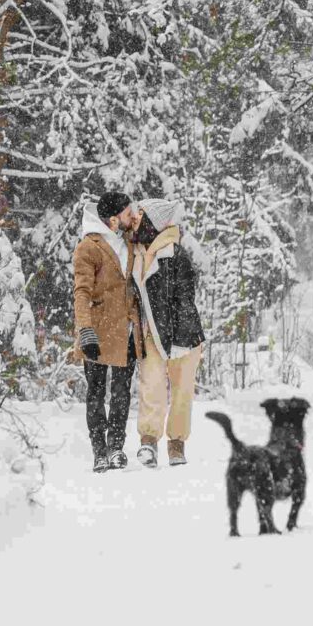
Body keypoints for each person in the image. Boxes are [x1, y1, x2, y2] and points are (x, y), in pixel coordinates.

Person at [128, 199, 206, 467]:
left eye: (140, 216)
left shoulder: (176, 255)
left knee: (182, 390)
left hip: (183, 336)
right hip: (152, 333)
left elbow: (185, 300)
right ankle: (148, 442)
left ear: (153, 222)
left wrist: (180, 341)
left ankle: (176, 444)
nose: (135, 220)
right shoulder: (135, 252)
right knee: (151, 387)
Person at [72, 190, 142, 471]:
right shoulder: (88, 247)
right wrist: (85, 330)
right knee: (96, 392)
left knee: (122, 392)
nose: (132, 216)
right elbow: (81, 292)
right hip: (98, 332)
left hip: (126, 330)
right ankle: (99, 450)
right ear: (113, 219)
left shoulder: (129, 242)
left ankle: (116, 447)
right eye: (127, 213)